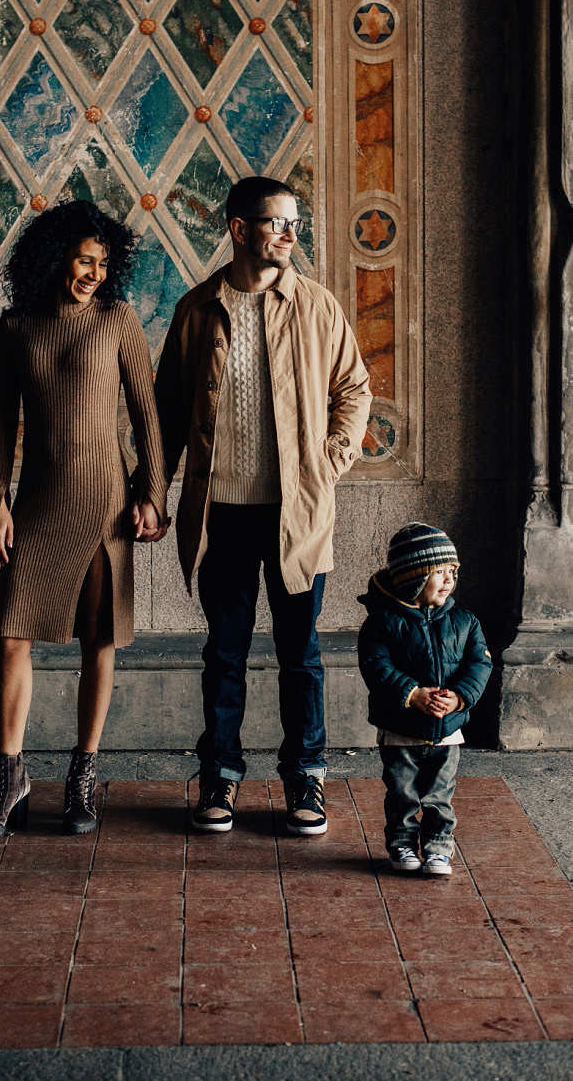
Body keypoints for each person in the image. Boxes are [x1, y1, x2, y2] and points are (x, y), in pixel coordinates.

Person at [155, 176, 372, 836]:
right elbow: (165, 411)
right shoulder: (197, 310)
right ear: (239, 228)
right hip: (222, 512)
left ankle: (306, 779)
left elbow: (353, 389)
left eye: (294, 223)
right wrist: (151, 491)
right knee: (224, 651)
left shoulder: (316, 306)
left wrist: (328, 466)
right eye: (276, 222)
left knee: (299, 652)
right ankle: (219, 778)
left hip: (295, 515)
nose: (289, 234)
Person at [0, 200, 167, 840]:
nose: (95, 273)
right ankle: (9, 778)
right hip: (38, 507)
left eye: (104, 263)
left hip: (106, 508)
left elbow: (148, 418)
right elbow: (3, 421)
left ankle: (81, 779)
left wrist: (151, 493)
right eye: (85, 260)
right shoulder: (18, 325)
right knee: (12, 639)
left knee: (99, 642)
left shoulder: (116, 320)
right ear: (56, 256)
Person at [356, 522, 492, 876]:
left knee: (439, 795)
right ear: (413, 579)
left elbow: (479, 664)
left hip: (447, 731)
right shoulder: (382, 623)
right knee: (402, 794)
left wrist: (460, 697)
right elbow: (376, 666)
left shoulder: (465, 621)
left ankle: (438, 849)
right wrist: (412, 694)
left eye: (452, 572)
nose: (449, 580)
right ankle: (401, 844)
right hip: (400, 730)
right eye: (438, 572)